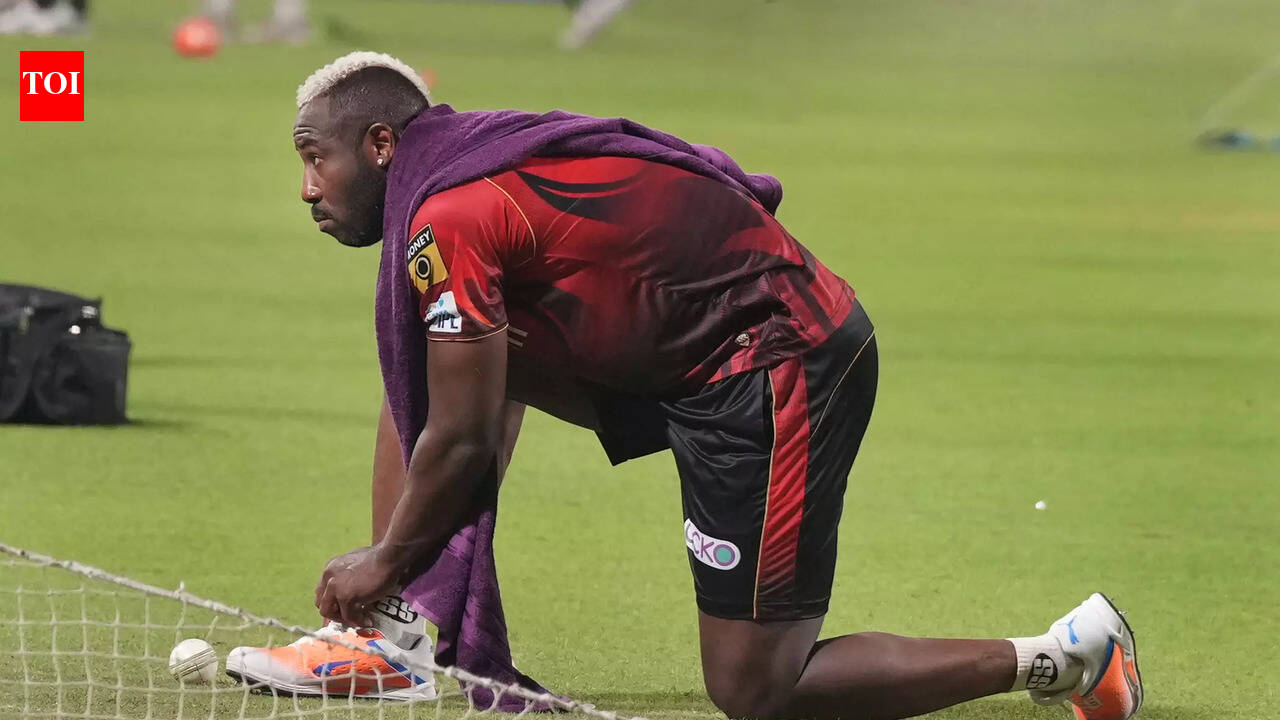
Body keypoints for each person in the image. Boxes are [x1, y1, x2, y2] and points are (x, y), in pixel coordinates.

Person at [240, 52, 1144, 720]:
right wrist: (399, 571)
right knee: (441, 361)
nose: (308, 188)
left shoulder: (453, 211)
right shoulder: (470, 163)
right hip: (686, 350)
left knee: (756, 689)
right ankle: (396, 639)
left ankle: (1065, 656)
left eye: (316, 158)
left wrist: (384, 558)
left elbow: (466, 439)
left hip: (779, 365)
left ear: (383, 144)